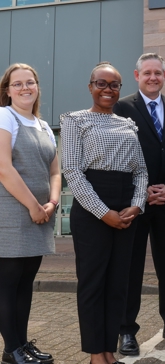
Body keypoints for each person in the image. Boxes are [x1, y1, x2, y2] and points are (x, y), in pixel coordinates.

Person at [60, 62, 148, 364]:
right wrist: (103, 213)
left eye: (114, 84)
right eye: (101, 83)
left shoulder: (128, 124)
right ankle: (96, 353)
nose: (107, 89)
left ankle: (109, 349)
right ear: (90, 86)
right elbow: (72, 170)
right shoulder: (74, 120)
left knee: (118, 283)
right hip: (92, 208)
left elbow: (141, 171)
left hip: (127, 210)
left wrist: (137, 205)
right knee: (93, 283)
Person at [113, 53, 165, 356]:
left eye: (157, 73)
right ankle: (126, 330)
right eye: (146, 73)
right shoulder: (122, 108)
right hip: (135, 204)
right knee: (130, 269)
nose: (152, 78)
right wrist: (142, 190)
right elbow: (118, 156)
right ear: (136, 76)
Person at [0, 63, 61, 364]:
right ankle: (12, 348)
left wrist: (51, 202)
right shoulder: (4, 117)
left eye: (30, 82)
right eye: (17, 84)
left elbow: (55, 170)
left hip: (40, 215)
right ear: (7, 90)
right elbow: (3, 168)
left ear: (37, 86)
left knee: (25, 284)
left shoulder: (44, 126)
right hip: (11, 214)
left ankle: (21, 345)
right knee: (8, 284)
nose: (25, 88)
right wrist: (33, 206)